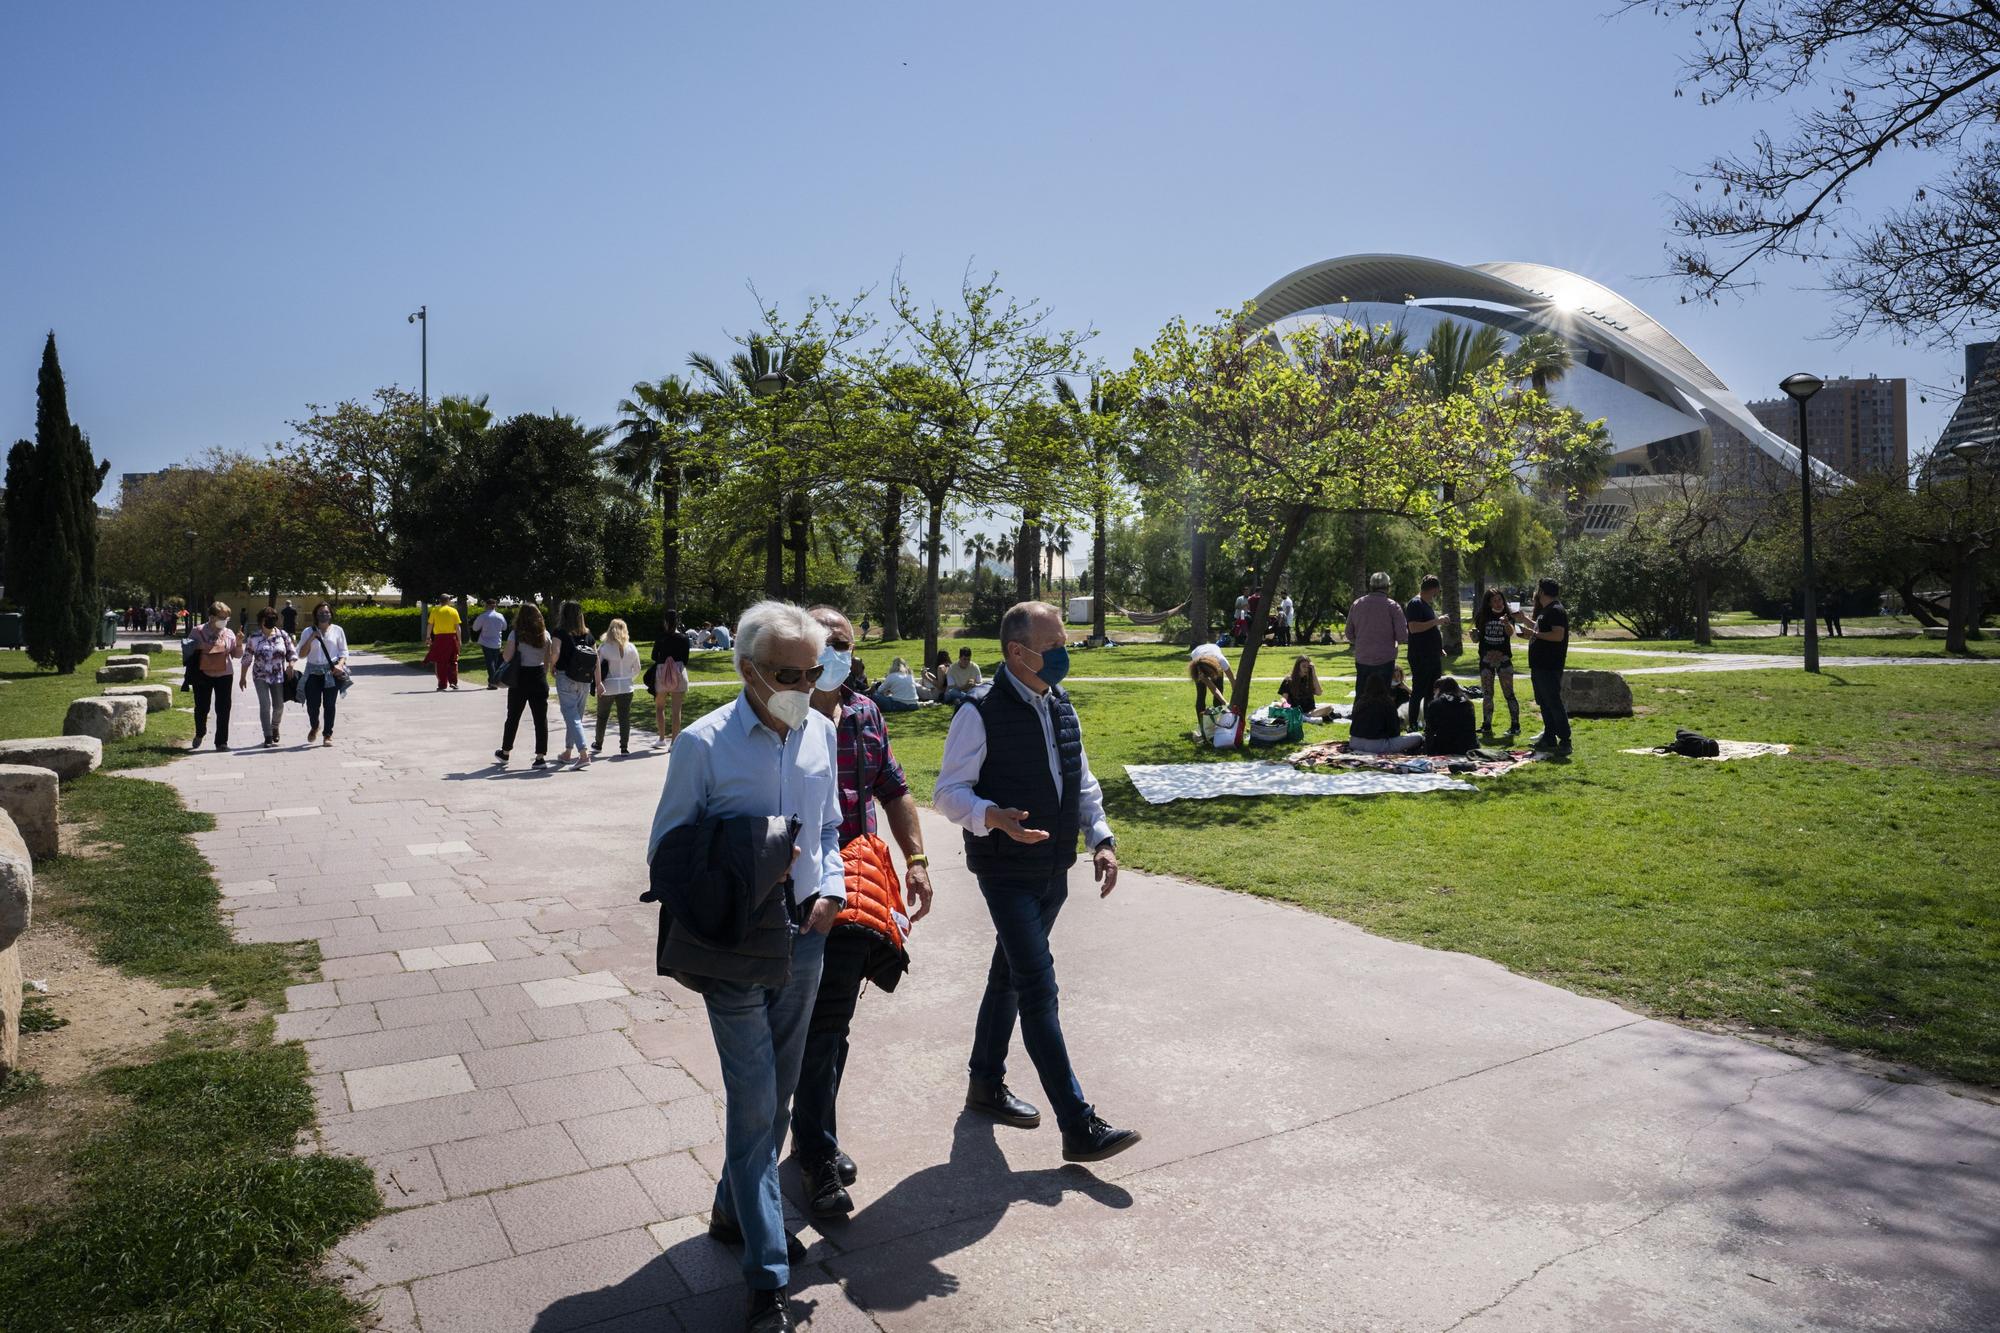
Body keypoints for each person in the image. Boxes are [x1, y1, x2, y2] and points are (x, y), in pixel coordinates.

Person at [645, 600, 843, 1331]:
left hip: (808, 935)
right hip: (733, 944)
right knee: (756, 1100)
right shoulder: (703, 743)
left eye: (812, 670)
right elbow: (666, 848)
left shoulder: (821, 731)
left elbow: (827, 826)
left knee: (780, 1094)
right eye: (787, 672)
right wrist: (741, 868)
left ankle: (733, 1211)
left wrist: (830, 886)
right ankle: (768, 1273)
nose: (802, 683)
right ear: (747, 669)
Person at [934, 600, 1139, 1165]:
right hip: (1005, 872)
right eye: (1053, 647)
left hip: (1055, 871)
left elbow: (1083, 782)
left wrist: (1101, 839)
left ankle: (984, 1083)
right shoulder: (979, 710)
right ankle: (1078, 1124)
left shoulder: (1061, 705)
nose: (1063, 655)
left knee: (1008, 976)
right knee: (1038, 989)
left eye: (1064, 643)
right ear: (1016, 652)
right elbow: (948, 792)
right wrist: (991, 815)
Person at [790, 606, 933, 1220]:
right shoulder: (785, 716)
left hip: (857, 886)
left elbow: (894, 790)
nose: (833, 654)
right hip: (794, 893)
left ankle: (815, 1142)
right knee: (806, 1029)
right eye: (822, 644)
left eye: (841, 643)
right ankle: (814, 1147)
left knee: (832, 1025)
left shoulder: (866, 713)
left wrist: (918, 861)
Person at [495, 604, 553, 769]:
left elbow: (507, 657)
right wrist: (544, 672)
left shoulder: (516, 634)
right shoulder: (545, 634)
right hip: (538, 676)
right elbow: (547, 660)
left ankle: (505, 752)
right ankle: (540, 756)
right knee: (540, 719)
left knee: (513, 716)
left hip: (520, 677)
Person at [1525, 577, 1572, 753]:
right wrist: (1524, 621)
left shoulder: (1556, 610)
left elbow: (1557, 635)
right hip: (1539, 665)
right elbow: (1540, 630)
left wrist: (1533, 634)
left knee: (1553, 702)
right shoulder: (1546, 610)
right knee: (1544, 702)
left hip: (1549, 665)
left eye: (1538, 590)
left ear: (1542, 592)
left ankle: (1565, 740)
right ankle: (1549, 737)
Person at [238, 607, 298, 747]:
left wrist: (291, 665)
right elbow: (247, 658)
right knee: (265, 705)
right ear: (261, 620)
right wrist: (242, 677)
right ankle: (268, 736)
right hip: (260, 676)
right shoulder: (254, 637)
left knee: (279, 706)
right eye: (268, 617)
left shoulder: (282, 635)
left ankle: (275, 726)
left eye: (273, 617)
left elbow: (292, 653)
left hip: (278, 676)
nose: (271, 620)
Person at [1471, 587, 1525, 737]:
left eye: (1500, 599)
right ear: (1488, 603)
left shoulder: (1508, 615)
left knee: (1509, 693)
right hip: (1486, 659)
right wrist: (1474, 635)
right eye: (1494, 600)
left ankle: (1515, 725)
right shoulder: (1482, 616)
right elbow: (1477, 639)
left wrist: (1507, 623)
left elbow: (1510, 632)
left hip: (1504, 660)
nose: (1498, 603)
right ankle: (1486, 725)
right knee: (1487, 694)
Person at [189, 601, 241, 751]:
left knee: (224, 708)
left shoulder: (229, 633)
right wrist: (199, 646)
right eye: (221, 617)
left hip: (225, 674)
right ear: (211, 617)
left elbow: (236, 655)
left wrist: (238, 643)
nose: (224, 620)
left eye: (226, 618)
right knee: (202, 707)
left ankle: (221, 742)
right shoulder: (197, 631)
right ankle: (200, 732)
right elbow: (187, 651)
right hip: (203, 674)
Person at [296, 601, 349, 747]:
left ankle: (328, 734)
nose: (324, 615)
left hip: (331, 672)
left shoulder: (338, 630)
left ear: (331, 614)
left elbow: (344, 652)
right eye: (321, 612)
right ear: (316, 615)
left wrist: (340, 664)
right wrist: (312, 638)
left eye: (326, 612)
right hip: (313, 672)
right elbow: (301, 654)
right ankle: (315, 725)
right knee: (312, 705)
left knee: (329, 704)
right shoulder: (308, 631)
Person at [1344, 571, 1408, 691]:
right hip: (1385, 659)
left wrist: (1361, 642)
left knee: (1362, 693)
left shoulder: (1357, 604)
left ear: (1371, 586)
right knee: (1383, 695)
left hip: (1363, 658)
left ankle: (1360, 710)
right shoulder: (1393, 606)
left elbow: (1348, 633)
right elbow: (1402, 636)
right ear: (1388, 587)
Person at [552, 601, 596, 769]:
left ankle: (583, 754)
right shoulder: (588, 634)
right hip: (585, 680)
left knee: (571, 716)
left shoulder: (560, 632)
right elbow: (596, 658)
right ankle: (567, 752)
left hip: (566, 677)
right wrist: (598, 682)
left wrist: (551, 666)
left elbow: (555, 652)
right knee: (575, 717)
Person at [593, 617, 641, 756]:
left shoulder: (604, 647)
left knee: (602, 716)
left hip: (608, 685)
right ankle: (624, 747)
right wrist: (629, 678)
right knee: (624, 717)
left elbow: (597, 667)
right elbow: (637, 668)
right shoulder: (631, 647)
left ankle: (598, 743)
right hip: (626, 686)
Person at [1404, 575, 1447, 731]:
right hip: (1420, 655)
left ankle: (1430, 723)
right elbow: (1414, 628)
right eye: (1438, 589)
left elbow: (1430, 630)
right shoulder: (1415, 604)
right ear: (1434, 589)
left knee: (1431, 690)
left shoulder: (1426, 604)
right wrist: (1437, 621)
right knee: (1419, 691)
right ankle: (1413, 723)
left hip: (1432, 654)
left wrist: (1438, 647)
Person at [1347, 673, 1424, 754]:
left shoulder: (1360, 702)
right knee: (1418, 737)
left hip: (1354, 743)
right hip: (1377, 745)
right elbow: (1394, 731)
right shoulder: (1387, 703)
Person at [650, 609, 692, 750]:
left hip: (662, 673)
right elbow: (685, 659)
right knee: (676, 710)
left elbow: (654, 656)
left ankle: (662, 738)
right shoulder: (684, 638)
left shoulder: (661, 637)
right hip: (679, 672)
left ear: (665, 621)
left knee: (660, 707)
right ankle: (674, 742)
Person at [1421, 676, 1479, 755]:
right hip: (1468, 747)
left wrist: (1429, 752)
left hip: (1445, 748)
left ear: (1438, 689)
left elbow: (1429, 730)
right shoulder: (1467, 704)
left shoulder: (1435, 704)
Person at [1188, 641, 1235, 732]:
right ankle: (1202, 726)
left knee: (1220, 687)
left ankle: (1219, 722)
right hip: (1198, 654)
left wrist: (1234, 701)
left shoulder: (1222, 661)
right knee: (1201, 694)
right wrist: (1225, 702)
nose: (1211, 677)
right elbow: (1213, 689)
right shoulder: (1199, 669)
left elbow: (1233, 681)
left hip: (1213, 655)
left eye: (1211, 674)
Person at [426, 594, 462, 691]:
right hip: (451, 638)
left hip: (439, 638)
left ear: (440, 601)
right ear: (448, 601)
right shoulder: (453, 611)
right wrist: (460, 640)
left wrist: (428, 637)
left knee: (440, 662)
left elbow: (430, 624)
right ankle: (453, 682)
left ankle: (442, 684)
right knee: (453, 661)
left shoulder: (435, 610)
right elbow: (457, 627)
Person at [472, 598, 508, 689]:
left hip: (486, 642)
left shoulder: (483, 616)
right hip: (497, 642)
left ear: (486, 605)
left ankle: (492, 682)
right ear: (495, 606)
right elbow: (505, 627)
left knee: (490, 662)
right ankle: (496, 680)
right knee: (495, 662)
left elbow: (475, 628)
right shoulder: (500, 616)